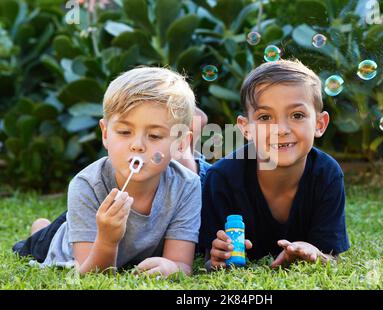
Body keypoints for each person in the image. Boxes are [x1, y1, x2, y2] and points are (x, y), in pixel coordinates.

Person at [13, 66, 204, 277]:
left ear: (180, 144)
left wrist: (172, 268)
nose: (138, 145)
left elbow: (181, 263)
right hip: (68, 247)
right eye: (124, 132)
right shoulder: (86, 184)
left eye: (155, 135)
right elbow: (91, 274)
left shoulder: (187, 185)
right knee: (39, 243)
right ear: (105, 133)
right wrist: (107, 239)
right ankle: (42, 229)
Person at [199, 59, 350, 269]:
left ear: (319, 123)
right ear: (246, 128)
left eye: (297, 115)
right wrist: (217, 256)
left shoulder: (327, 174)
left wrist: (313, 253)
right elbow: (209, 261)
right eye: (265, 117)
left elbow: (331, 257)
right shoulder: (222, 178)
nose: (281, 129)